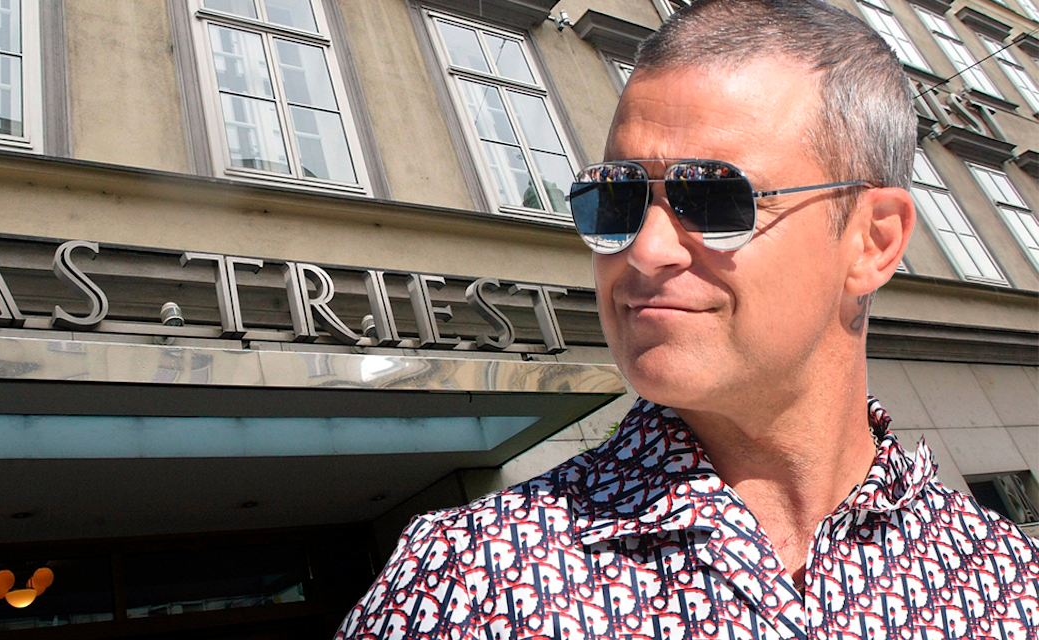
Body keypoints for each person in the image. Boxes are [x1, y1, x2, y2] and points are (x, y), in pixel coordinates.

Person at [335, 0, 1039, 638]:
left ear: (873, 241)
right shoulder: (465, 580)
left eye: (713, 199)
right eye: (614, 200)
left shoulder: (1010, 581)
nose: (645, 250)